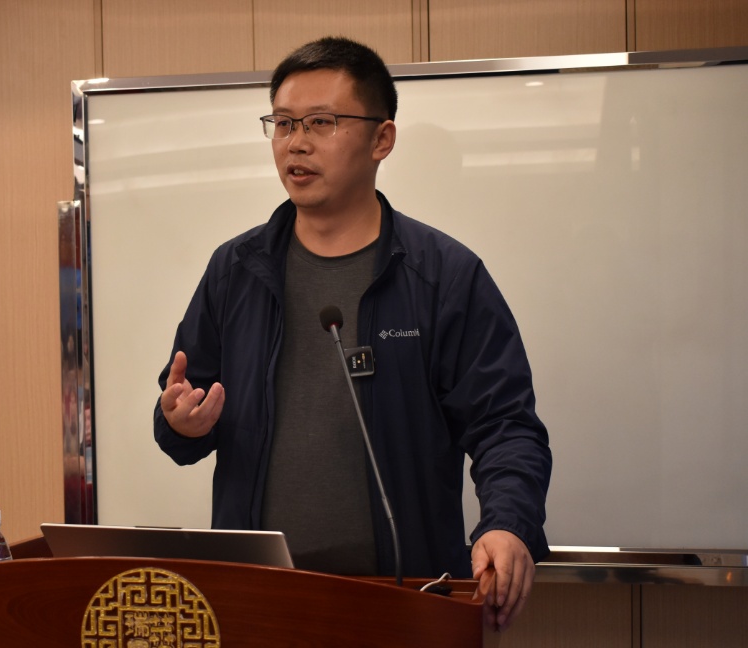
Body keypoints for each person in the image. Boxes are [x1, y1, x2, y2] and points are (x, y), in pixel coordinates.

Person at [154, 36, 551, 631]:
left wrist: (507, 523)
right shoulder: (236, 271)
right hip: (256, 599)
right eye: (283, 123)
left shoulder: (442, 276)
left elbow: (506, 425)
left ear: (381, 139)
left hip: (403, 600)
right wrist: (180, 423)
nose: (297, 142)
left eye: (322, 122)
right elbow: (183, 408)